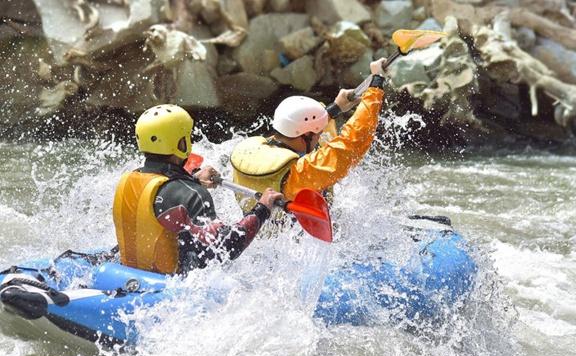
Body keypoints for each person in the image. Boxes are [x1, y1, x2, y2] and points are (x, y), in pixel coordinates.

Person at [112, 104, 283, 274]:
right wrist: (262, 208)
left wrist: (192, 178)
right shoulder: (192, 195)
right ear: (182, 144)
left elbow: (162, 195)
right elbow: (227, 247)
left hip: (123, 276)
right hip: (169, 290)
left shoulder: (128, 179)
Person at [230, 58, 386, 211]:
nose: (320, 135)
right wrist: (376, 86)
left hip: (258, 226)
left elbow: (303, 127)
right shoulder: (301, 173)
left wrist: (336, 108)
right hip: (290, 232)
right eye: (318, 132)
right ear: (306, 134)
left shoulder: (258, 150)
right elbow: (354, 142)